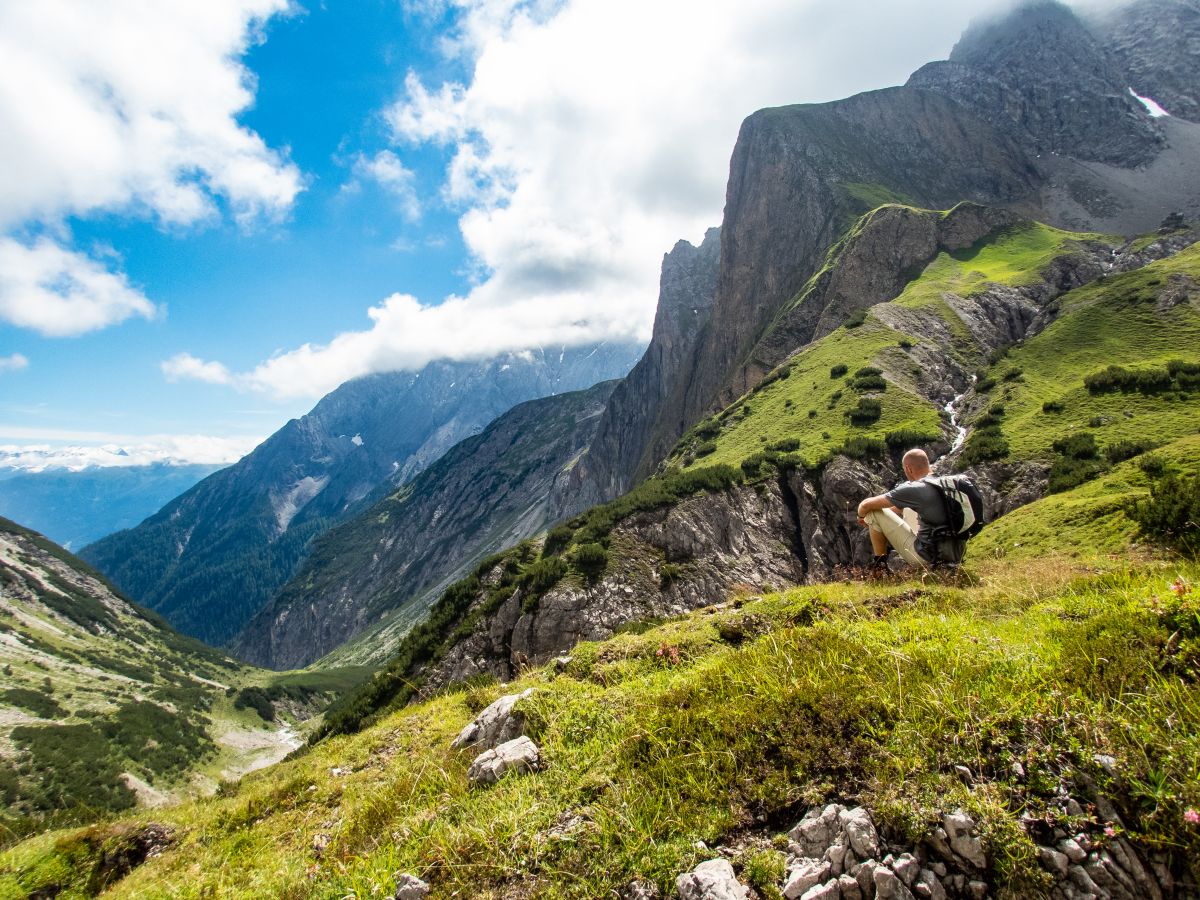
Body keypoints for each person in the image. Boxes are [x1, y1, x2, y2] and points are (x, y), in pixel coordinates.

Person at [856, 448, 963, 573]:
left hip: (926, 557)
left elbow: (865, 505)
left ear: (908, 469)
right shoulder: (943, 485)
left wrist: (862, 517)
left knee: (873, 512)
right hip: (956, 553)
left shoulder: (914, 489)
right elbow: (895, 510)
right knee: (906, 507)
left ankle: (880, 570)